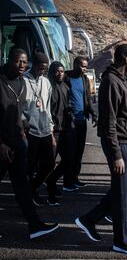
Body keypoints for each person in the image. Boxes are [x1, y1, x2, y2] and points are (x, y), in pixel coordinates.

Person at [75, 44, 127, 254]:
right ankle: (120, 241)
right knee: (121, 192)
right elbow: (110, 120)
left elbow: (125, 114)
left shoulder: (121, 79)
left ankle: (89, 219)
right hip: (118, 142)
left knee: (123, 188)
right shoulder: (111, 81)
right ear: (125, 58)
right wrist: (116, 155)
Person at [0, 48, 58, 239]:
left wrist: (24, 127)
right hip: (2, 145)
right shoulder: (2, 81)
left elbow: (18, 112)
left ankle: (35, 226)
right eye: (18, 62)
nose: (21, 66)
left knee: (23, 188)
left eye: (24, 62)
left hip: (17, 143)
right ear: (9, 60)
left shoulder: (20, 82)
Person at [22, 52, 55, 207]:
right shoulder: (23, 81)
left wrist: (51, 127)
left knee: (49, 163)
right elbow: (18, 106)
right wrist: (23, 122)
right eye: (41, 68)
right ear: (33, 65)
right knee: (29, 165)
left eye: (45, 69)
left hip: (45, 130)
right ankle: (29, 195)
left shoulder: (46, 82)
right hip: (29, 131)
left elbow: (47, 107)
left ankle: (31, 188)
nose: (42, 71)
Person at [64, 56, 97, 191]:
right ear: (75, 64)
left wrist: (94, 114)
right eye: (82, 66)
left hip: (82, 119)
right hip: (70, 120)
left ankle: (75, 178)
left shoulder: (84, 79)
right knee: (70, 152)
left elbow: (88, 98)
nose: (84, 69)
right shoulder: (66, 77)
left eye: (85, 66)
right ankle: (67, 182)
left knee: (79, 151)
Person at [43, 61, 71, 206]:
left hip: (65, 130)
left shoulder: (65, 87)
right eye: (57, 71)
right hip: (52, 132)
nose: (60, 74)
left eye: (62, 71)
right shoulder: (48, 88)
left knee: (68, 160)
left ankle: (51, 182)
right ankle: (50, 193)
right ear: (51, 72)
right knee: (49, 163)